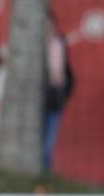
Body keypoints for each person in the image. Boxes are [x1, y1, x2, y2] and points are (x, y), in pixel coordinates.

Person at [43, 11, 74, 172]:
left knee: (47, 146)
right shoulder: (36, 49)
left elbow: (68, 75)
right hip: (38, 104)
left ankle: (44, 179)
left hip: (54, 102)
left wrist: (63, 94)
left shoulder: (59, 45)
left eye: (50, 25)